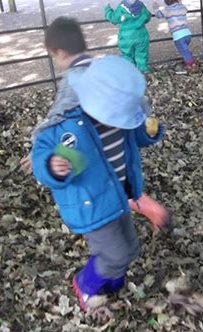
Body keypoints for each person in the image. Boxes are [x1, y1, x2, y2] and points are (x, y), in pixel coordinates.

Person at [30, 17, 168, 312]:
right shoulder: (68, 120)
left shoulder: (115, 107)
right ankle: (86, 285)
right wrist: (53, 166)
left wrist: (149, 130)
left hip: (117, 193)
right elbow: (42, 149)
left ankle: (111, 287)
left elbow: (135, 135)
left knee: (129, 248)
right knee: (116, 253)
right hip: (89, 198)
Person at [104, 0, 151, 73]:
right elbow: (147, 17)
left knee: (127, 54)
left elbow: (113, 19)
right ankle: (143, 69)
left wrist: (107, 10)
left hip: (126, 37)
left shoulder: (121, 8)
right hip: (140, 36)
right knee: (141, 53)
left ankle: (130, 70)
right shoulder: (141, 6)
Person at [152, 0, 196, 72]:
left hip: (178, 36)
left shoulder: (166, 10)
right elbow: (186, 10)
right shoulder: (182, 7)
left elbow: (158, 15)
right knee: (185, 49)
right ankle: (189, 58)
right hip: (187, 34)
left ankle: (192, 66)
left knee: (184, 51)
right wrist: (179, 3)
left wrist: (156, 8)